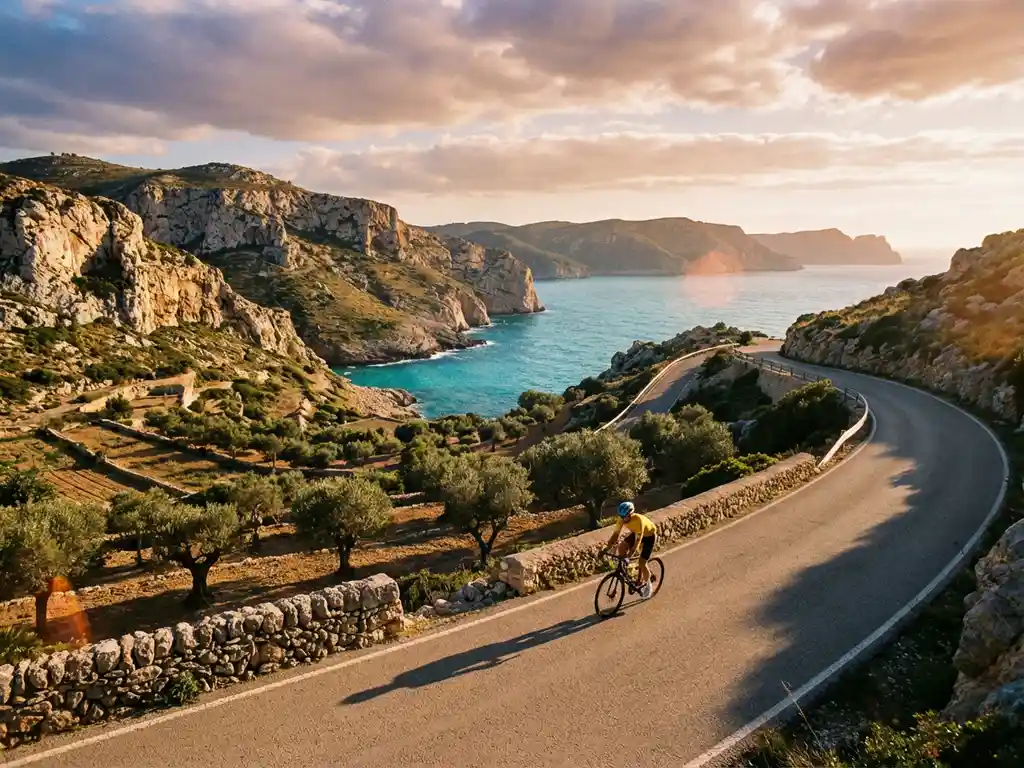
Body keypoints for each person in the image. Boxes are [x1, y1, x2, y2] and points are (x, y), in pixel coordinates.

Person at [604, 501, 657, 598]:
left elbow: (638, 541)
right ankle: (627, 571)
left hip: (649, 536)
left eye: (626, 517)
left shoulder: (638, 520)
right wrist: (606, 549)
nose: (623, 520)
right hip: (636, 533)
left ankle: (648, 585)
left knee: (642, 562)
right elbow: (615, 535)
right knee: (622, 547)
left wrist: (629, 556)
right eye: (621, 517)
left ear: (631, 514)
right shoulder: (621, 519)